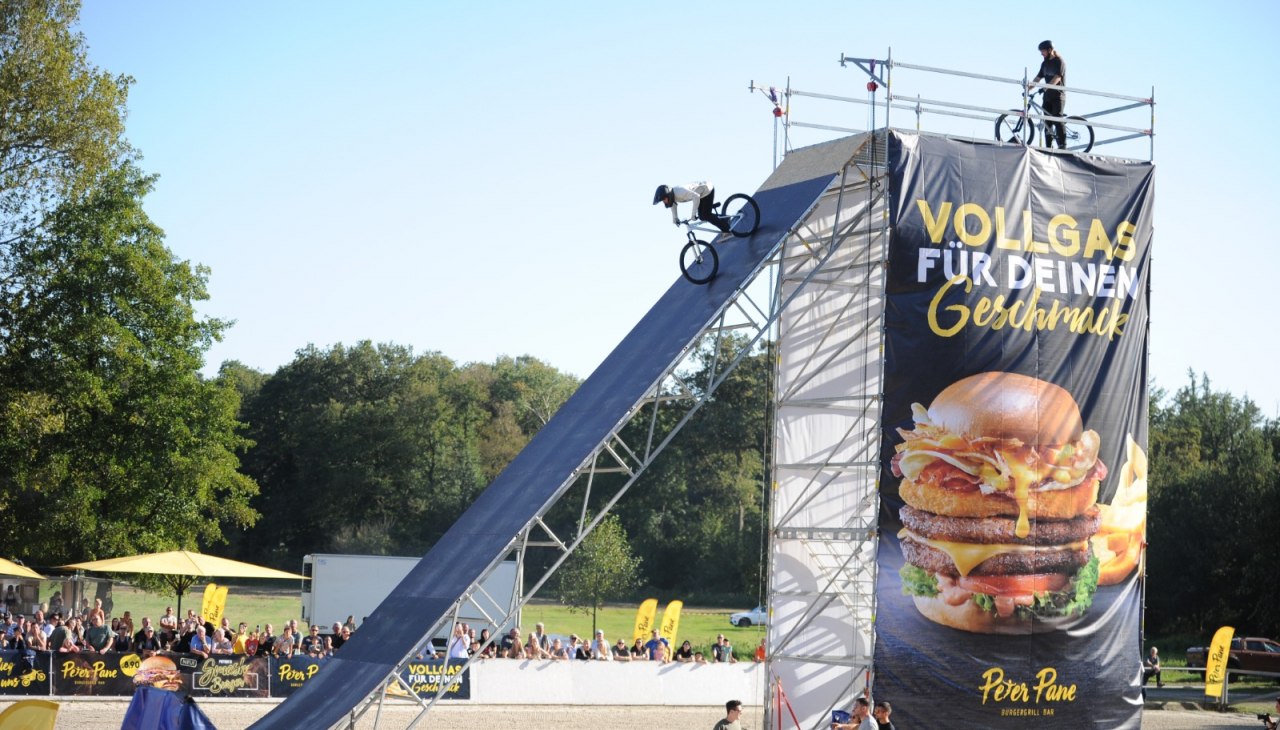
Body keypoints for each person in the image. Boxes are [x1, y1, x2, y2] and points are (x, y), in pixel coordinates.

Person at [1028, 40, 1067, 149]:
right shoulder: (1044, 64)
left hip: (1058, 96)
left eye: (1043, 51)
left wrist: (1046, 87)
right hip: (1047, 97)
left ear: (1050, 50)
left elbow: (1057, 77)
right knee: (1046, 122)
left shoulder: (1060, 62)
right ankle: (1049, 146)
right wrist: (1029, 88)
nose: (1041, 53)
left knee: (1057, 119)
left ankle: (1063, 146)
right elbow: (1038, 78)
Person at [654, 182, 731, 233]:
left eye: (664, 199)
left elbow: (696, 197)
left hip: (707, 190)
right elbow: (673, 205)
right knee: (702, 216)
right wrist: (675, 218)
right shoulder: (673, 196)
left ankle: (726, 230)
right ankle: (725, 219)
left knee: (706, 215)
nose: (664, 202)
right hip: (701, 194)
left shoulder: (680, 192)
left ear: (668, 195)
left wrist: (693, 214)